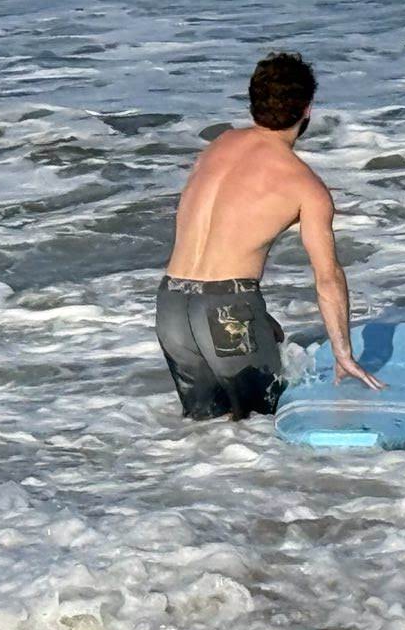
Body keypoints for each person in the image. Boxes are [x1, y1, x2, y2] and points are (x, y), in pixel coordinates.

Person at [158, 51, 382, 421]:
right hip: (228, 310)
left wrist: (255, 318)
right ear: (307, 110)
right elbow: (328, 278)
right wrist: (343, 355)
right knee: (263, 430)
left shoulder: (219, 145)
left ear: (252, 104)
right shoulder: (304, 184)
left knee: (203, 436)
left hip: (170, 305)